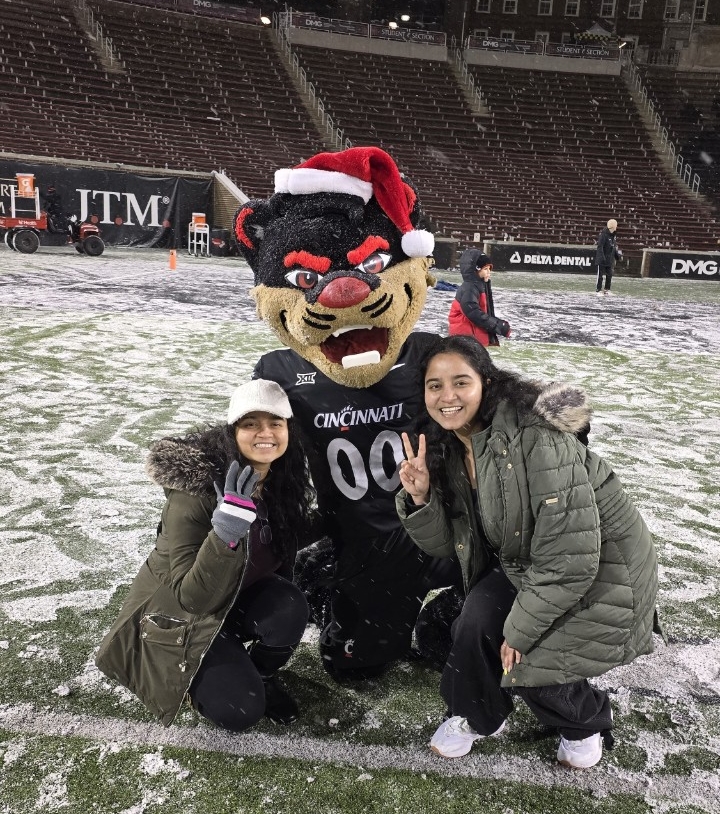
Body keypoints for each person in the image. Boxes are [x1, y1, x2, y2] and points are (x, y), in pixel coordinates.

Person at [235, 146, 463, 681]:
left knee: (472, 617)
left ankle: (457, 606)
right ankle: (330, 581)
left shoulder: (429, 355)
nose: (344, 290)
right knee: (354, 667)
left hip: (438, 529)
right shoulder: (279, 371)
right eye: (306, 279)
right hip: (359, 539)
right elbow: (251, 445)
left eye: (372, 266)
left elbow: (495, 418)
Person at [396, 335, 660, 769]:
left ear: (486, 382)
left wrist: (518, 632)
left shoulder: (535, 437)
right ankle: (478, 715)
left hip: (604, 571)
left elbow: (570, 558)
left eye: (460, 382)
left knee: (524, 654)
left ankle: (584, 721)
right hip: (529, 563)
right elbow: (449, 545)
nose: (447, 396)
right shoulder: (450, 445)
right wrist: (422, 498)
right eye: (434, 385)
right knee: (471, 624)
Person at [96, 380, 316, 731]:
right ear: (232, 432)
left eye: (276, 423)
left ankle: (260, 674)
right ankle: (202, 677)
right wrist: (226, 530)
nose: (266, 433)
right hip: (180, 616)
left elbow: (277, 539)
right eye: (251, 424)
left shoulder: (279, 479)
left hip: (232, 596)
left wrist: (353, 513)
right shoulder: (196, 493)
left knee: (288, 603)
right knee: (238, 711)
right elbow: (193, 599)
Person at [448, 249, 510, 346]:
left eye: (489, 269)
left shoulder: (481, 285)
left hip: (473, 338)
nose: (489, 272)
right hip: (464, 340)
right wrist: (497, 325)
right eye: (485, 269)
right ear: (475, 270)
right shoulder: (469, 288)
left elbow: (485, 311)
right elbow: (474, 313)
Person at [595, 219, 622, 295]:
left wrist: (617, 256)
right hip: (602, 259)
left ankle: (607, 289)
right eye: (615, 225)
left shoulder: (613, 235)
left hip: (609, 259)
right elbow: (600, 247)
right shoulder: (603, 235)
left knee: (609, 275)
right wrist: (602, 257)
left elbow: (613, 247)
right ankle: (598, 289)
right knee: (600, 276)